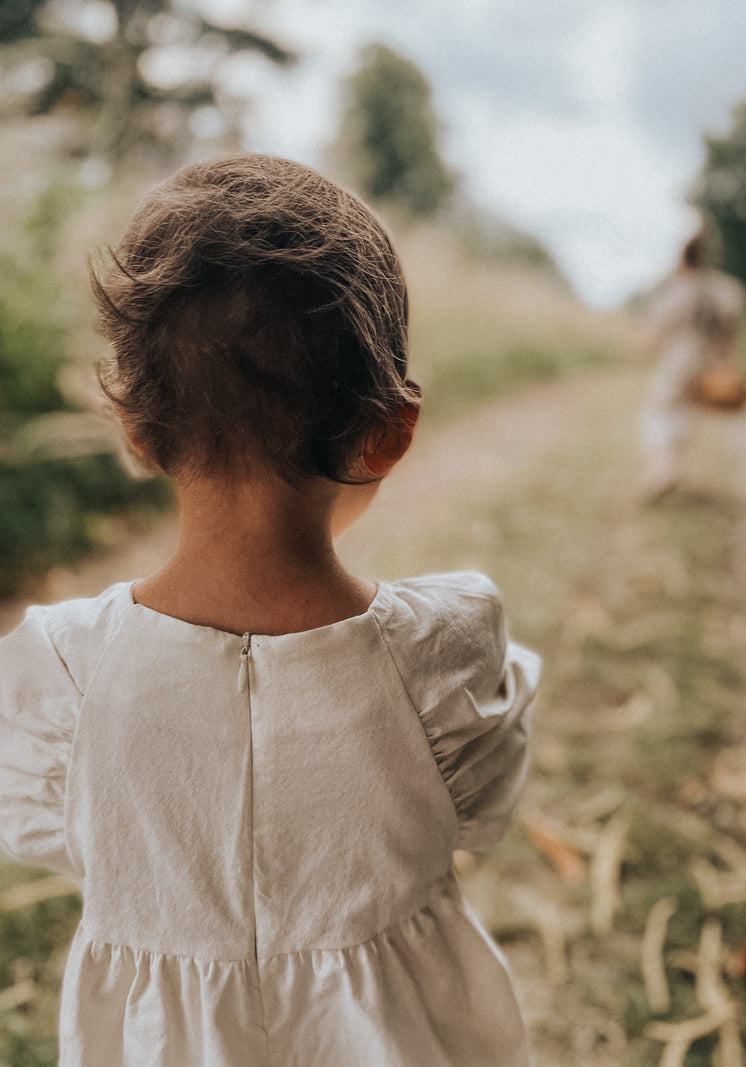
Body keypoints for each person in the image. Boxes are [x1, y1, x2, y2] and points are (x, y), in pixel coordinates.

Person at [0, 155, 541, 1066]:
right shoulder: (445, 654)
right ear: (390, 431)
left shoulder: (60, 676)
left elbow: (43, 831)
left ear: (135, 428)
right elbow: (485, 807)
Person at [640, 231, 746, 500]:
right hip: (711, 359)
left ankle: (662, 470)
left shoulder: (681, 287)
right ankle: (673, 467)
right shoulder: (726, 289)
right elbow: (729, 334)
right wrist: (728, 362)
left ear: (683, 257)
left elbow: (662, 329)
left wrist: (645, 346)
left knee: (660, 409)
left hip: (682, 355)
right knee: (688, 413)